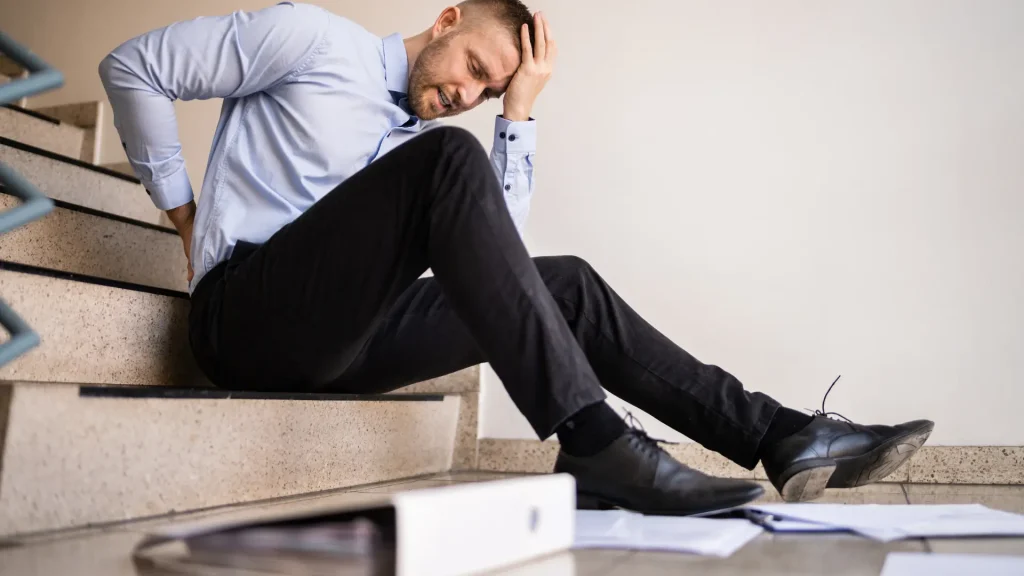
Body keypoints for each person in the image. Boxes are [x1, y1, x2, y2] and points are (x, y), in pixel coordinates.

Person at [100, 0, 934, 514]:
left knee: (560, 282)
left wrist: (521, 110)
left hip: (336, 343)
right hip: (240, 318)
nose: (468, 94)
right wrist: (181, 215)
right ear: (447, 20)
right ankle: (594, 437)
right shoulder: (311, 40)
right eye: (472, 71)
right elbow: (133, 66)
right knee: (447, 160)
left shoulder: (419, 142)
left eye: (486, 91)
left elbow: (501, 263)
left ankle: (777, 433)